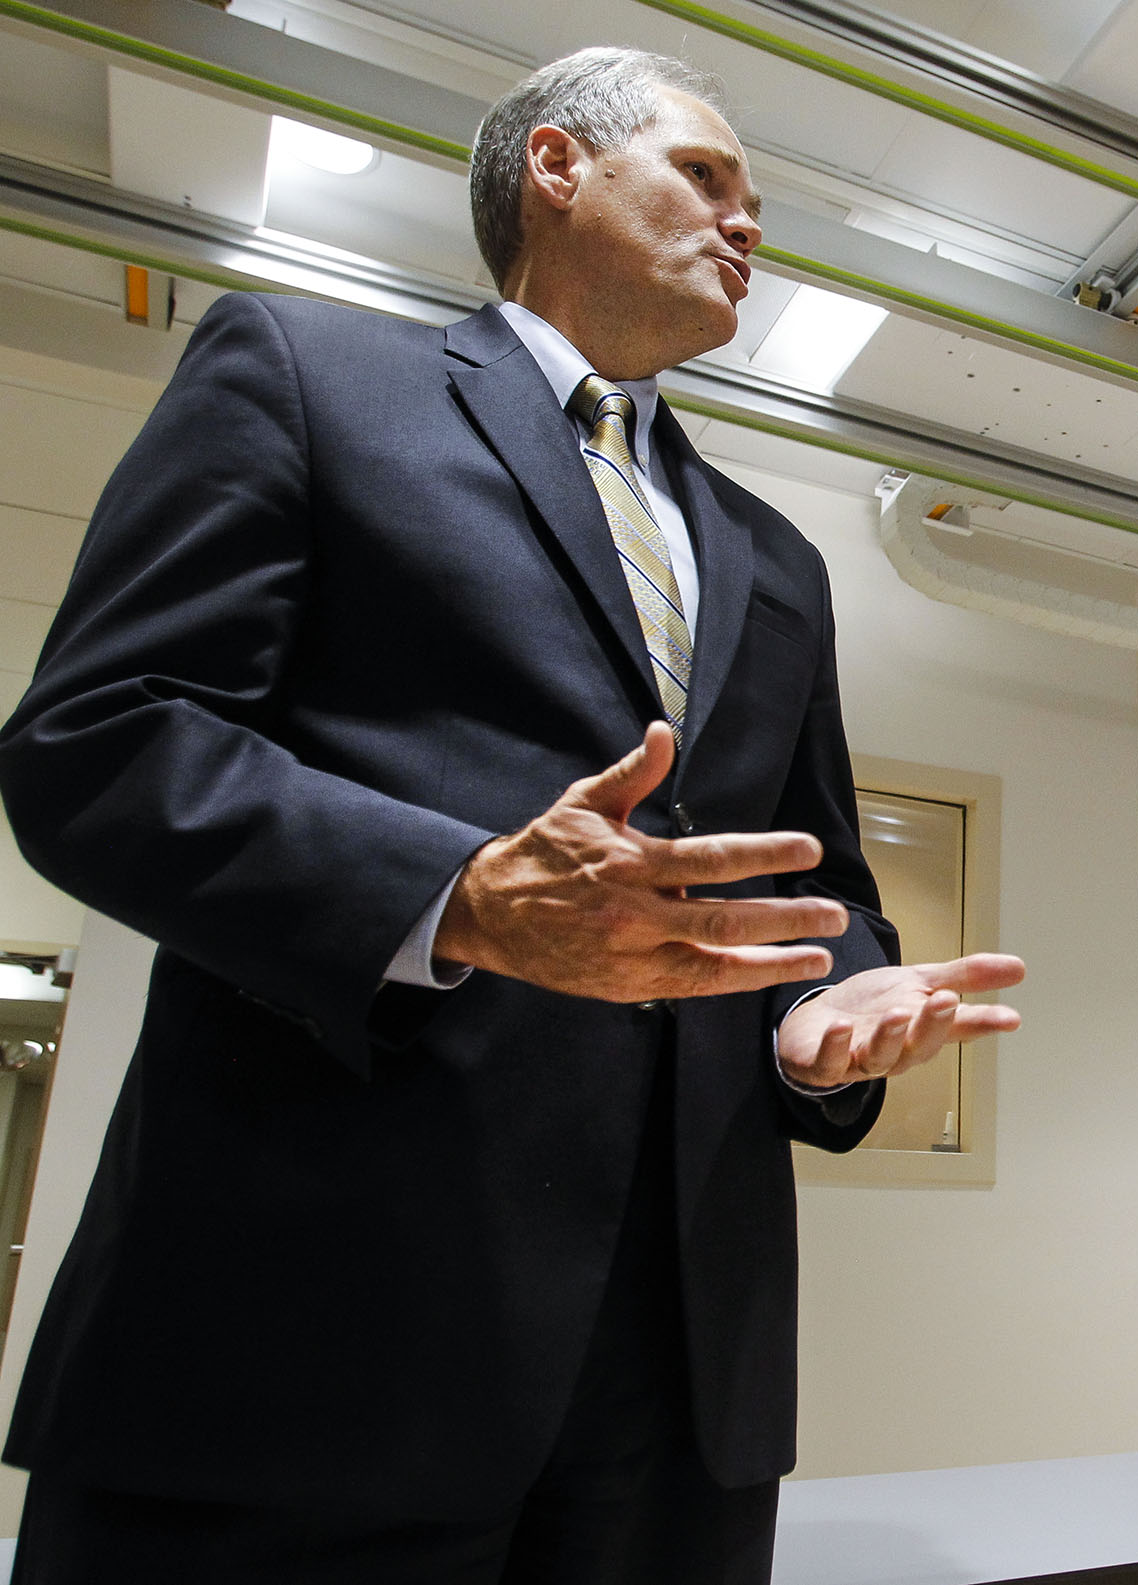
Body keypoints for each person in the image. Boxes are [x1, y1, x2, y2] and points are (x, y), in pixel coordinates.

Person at [0, 47, 1023, 1584]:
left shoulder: (774, 557)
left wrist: (827, 1009)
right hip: (313, 1341)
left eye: (757, 203)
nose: (748, 225)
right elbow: (100, 742)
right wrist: (458, 891)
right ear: (556, 167)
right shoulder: (303, 373)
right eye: (706, 177)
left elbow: (823, 884)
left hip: (679, 1386)